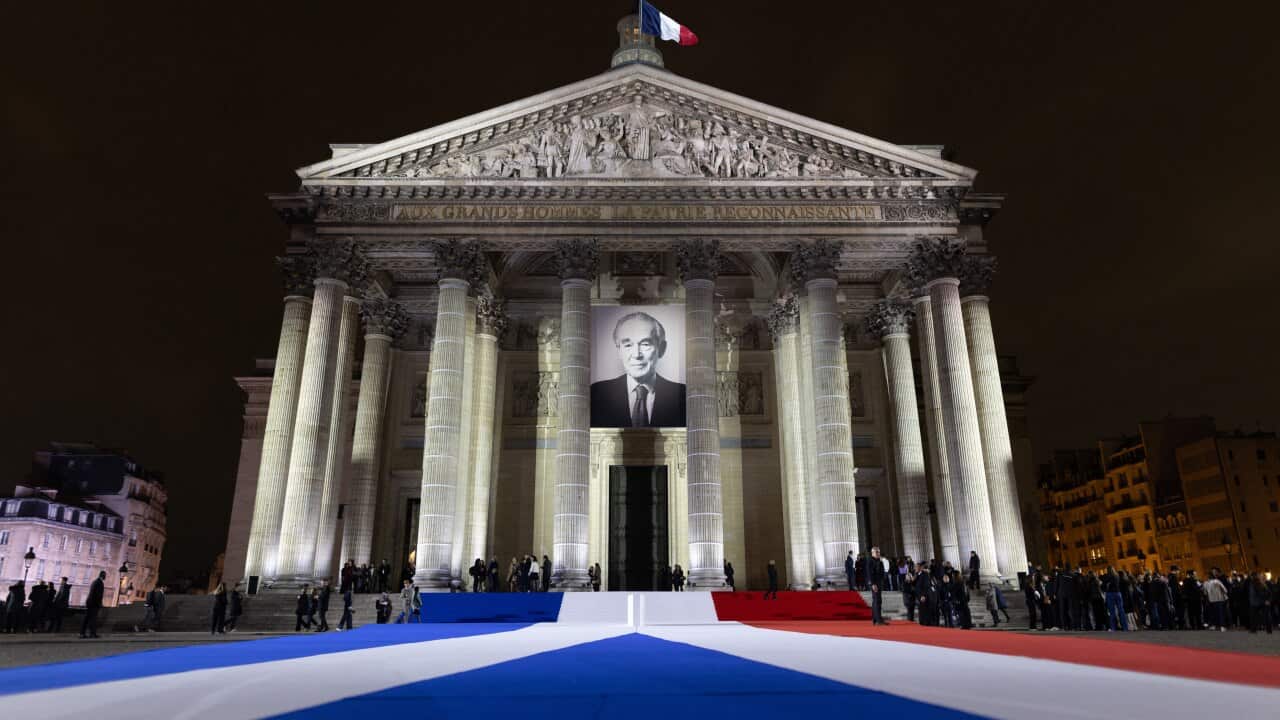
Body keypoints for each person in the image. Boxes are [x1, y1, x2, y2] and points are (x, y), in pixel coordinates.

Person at [589, 312, 686, 427]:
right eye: (628, 345)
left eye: (645, 344)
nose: (636, 355)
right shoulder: (596, 394)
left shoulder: (683, 395)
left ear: (661, 349)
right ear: (619, 351)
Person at [80, 571, 105, 639]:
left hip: (90, 602)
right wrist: (100, 603)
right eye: (105, 575)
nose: (105, 577)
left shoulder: (95, 581)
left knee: (87, 618)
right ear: (102, 575)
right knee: (93, 619)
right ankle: (92, 634)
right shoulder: (99, 583)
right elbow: (98, 595)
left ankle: (82, 633)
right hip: (94, 603)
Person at [868, 546, 886, 625]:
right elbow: (869, 573)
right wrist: (873, 584)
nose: (878, 553)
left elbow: (881, 572)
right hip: (875, 583)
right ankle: (879, 620)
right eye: (877, 552)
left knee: (877, 600)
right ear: (872, 553)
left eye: (879, 552)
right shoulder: (870, 561)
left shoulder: (879, 561)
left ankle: (875, 619)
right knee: (877, 601)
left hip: (879, 582)